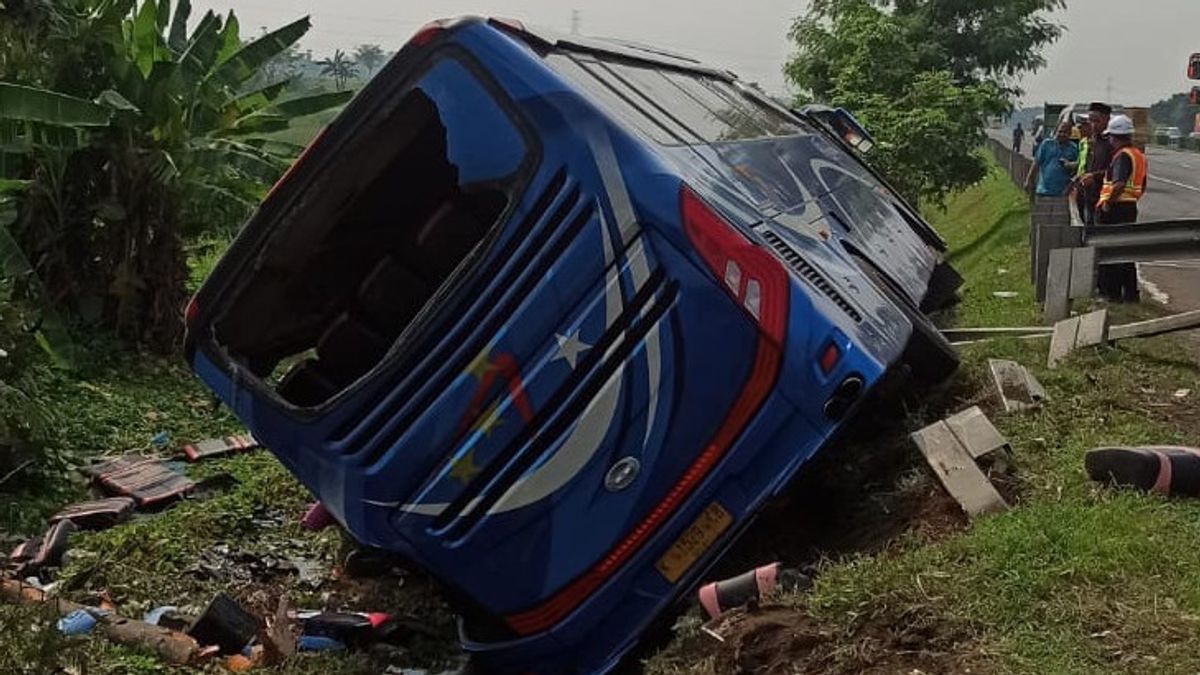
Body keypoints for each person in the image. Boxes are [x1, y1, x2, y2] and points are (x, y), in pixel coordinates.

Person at [1095, 114, 1148, 303]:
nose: (1109, 140)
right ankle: (1131, 294)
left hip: (1115, 208)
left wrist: (1108, 202)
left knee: (1111, 253)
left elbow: (1118, 184)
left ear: (1116, 137)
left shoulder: (1122, 156)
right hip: (1129, 207)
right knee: (1126, 252)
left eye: (1111, 137)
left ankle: (1113, 294)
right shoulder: (1138, 156)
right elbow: (1142, 185)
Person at [1075, 102, 1114, 224]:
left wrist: (1094, 176)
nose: (1093, 125)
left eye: (1096, 121)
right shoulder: (1092, 141)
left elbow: (1114, 170)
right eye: (1090, 121)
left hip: (1105, 198)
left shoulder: (1112, 143)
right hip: (1088, 195)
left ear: (1107, 120)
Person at [1024, 121, 1078, 198]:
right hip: (1043, 191)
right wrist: (1028, 181)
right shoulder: (1046, 144)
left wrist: (1070, 165)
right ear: (1056, 131)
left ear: (1070, 134)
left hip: (1062, 194)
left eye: (1065, 132)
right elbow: (1036, 163)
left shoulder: (1073, 149)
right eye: (1060, 131)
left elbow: (1077, 170)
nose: (1062, 134)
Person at [1065, 115, 1093, 223]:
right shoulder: (1082, 142)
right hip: (1080, 184)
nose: (1079, 130)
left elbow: (1089, 166)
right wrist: (1069, 165)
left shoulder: (1094, 143)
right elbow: (1080, 163)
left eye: (1082, 127)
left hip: (1089, 184)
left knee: (1089, 216)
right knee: (1080, 214)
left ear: (1089, 126)